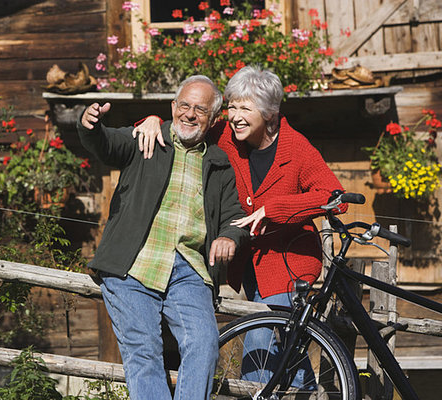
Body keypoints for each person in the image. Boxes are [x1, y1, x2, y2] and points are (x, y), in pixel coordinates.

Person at [134, 66, 346, 387]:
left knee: (260, 343)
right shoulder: (227, 136)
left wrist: (275, 209)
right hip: (247, 260)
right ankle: (305, 391)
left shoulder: (296, 149)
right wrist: (149, 122)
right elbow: (187, 126)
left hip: (289, 260)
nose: (235, 116)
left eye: (245, 108)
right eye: (232, 106)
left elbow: (336, 198)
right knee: (290, 348)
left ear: (270, 113)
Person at [77, 75, 249, 400]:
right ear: (173, 106)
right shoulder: (146, 137)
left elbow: (235, 216)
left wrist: (229, 236)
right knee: (143, 351)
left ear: (213, 119)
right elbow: (106, 145)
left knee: (204, 346)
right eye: (184, 105)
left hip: (190, 271)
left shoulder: (218, 163)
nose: (189, 114)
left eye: (200, 109)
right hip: (133, 264)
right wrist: (89, 125)